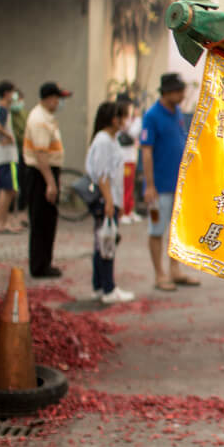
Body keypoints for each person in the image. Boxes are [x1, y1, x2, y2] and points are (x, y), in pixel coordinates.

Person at [141, 73, 199, 292]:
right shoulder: (152, 116)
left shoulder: (177, 113)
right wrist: (150, 185)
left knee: (177, 230)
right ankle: (159, 274)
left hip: (179, 184)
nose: (182, 95)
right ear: (167, 92)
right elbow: (146, 152)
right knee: (157, 229)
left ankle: (175, 269)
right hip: (160, 186)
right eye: (179, 92)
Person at [85, 101, 136, 304]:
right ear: (114, 119)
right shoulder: (104, 141)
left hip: (111, 199)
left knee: (102, 242)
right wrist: (109, 202)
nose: (126, 121)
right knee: (106, 243)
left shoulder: (110, 139)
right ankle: (108, 288)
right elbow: (103, 175)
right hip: (106, 199)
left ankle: (99, 286)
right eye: (123, 117)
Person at [23, 82, 71, 278]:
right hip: (40, 175)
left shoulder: (46, 117)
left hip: (46, 174)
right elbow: (41, 154)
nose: (59, 103)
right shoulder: (39, 119)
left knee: (47, 220)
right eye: (58, 98)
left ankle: (44, 262)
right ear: (50, 98)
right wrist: (50, 183)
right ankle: (40, 266)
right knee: (41, 221)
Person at [0, 80, 23, 234]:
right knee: (9, 190)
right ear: (7, 93)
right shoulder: (2, 109)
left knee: (8, 189)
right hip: (6, 156)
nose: (15, 95)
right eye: (13, 92)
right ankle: (0, 222)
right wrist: (8, 136)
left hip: (1, 155)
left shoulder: (1, 109)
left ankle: (0, 221)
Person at [117, 94, 143, 225]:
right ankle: (123, 212)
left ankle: (129, 210)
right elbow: (133, 133)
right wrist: (137, 119)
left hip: (131, 157)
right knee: (125, 186)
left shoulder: (128, 119)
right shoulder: (122, 120)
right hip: (125, 158)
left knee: (130, 186)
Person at [10, 89, 30, 220]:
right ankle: (10, 213)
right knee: (12, 184)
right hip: (13, 153)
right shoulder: (8, 114)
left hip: (24, 153)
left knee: (24, 183)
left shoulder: (24, 113)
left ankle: (22, 212)